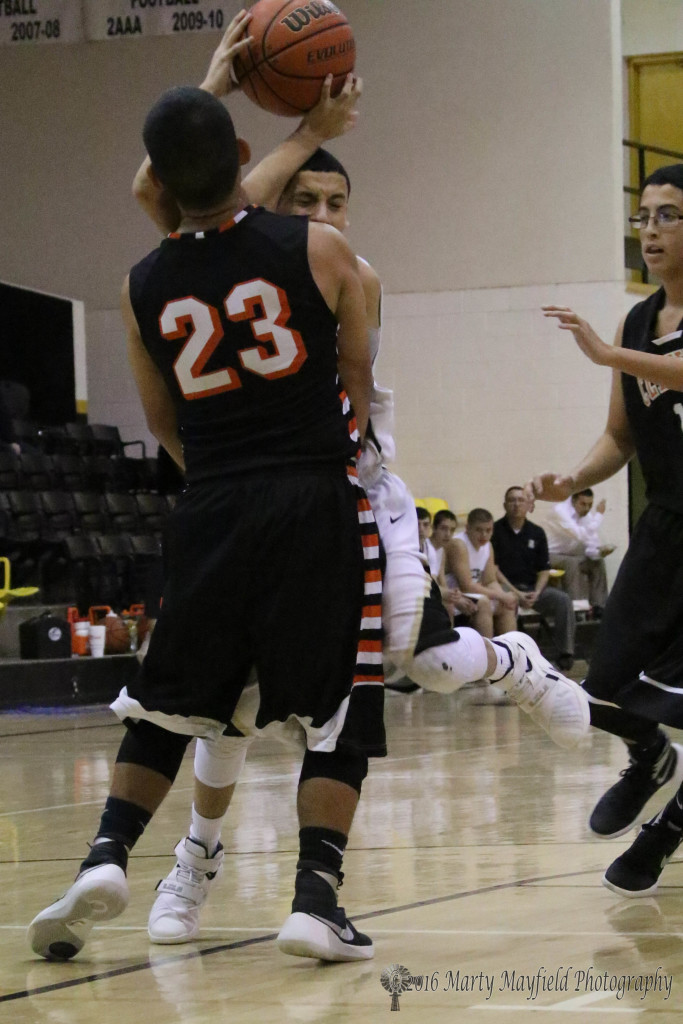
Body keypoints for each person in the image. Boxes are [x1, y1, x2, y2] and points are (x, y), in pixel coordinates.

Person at [131, 19, 591, 946]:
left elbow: (176, 196)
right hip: (274, 503)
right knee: (225, 701)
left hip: (357, 501)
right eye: (302, 196)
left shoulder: (342, 268)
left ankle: (509, 659)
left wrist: (244, 106)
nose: (319, 212)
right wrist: (237, 103)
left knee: (417, 668)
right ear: (266, 192)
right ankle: (194, 865)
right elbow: (174, 191)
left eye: (333, 200)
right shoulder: (245, 249)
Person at [28, 67, 386, 964]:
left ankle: (108, 852)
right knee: (340, 706)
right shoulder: (322, 251)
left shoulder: (140, 283)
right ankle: (314, 897)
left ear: (158, 174)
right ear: (239, 152)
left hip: (213, 499)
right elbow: (355, 386)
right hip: (312, 494)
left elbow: (158, 424)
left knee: (169, 702)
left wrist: (226, 470)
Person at [534, 163, 683, 898]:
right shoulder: (633, 322)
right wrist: (574, 479)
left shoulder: (619, 342)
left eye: (667, 216)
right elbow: (620, 436)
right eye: (643, 216)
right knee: (604, 687)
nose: (650, 230)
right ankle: (649, 757)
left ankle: (664, 835)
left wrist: (605, 354)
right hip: (666, 525)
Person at [492, 486, 576, 671]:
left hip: (532, 589)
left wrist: (537, 592)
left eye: (521, 500)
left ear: (529, 505)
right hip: (507, 589)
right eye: (512, 500)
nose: (516, 504)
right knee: (507, 600)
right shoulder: (495, 531)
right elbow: (493, 569)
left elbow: (544, 569)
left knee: (562, 600)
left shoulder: (537, 532)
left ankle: (566, 653)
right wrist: (517, 593)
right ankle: (512, 657)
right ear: (505, 505)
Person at [447, 508, 519, 637]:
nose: (484, 535)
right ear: (467, 528)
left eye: (488, 530)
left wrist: (503, 596)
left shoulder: (488, 546)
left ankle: (509, 652)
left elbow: (490, 580)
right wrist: (501, 596)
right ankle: (487, 651)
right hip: (455, 595)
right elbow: (466, 586)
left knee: (507, 605)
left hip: (475, 593)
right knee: (484, 603)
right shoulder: (459, 544)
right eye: (479, 530)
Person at [544, 488, 613, 611]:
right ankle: (577, 609)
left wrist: (600, 552)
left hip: (573, 555)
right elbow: (580, 535)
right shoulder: (559, 511)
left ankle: (600, 606)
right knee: (573, 563)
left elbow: (591, 544)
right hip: (551, 555)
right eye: (583, 504)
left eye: (590, 505)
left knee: (597, 562)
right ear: (573, 501)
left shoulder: (587, 517)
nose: (586, 508)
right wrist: (599, 516)